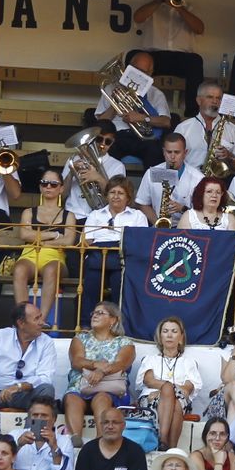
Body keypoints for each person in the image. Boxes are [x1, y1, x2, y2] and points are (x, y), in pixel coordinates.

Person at [65, 304, 136, 448]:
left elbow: (122, 364)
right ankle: (75, 440)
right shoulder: (81, 338)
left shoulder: (125, 342)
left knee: (101, 397)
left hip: (110, 388)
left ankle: (100, 441)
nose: (95, 315)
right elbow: (76, 361)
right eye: (94, 312)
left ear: (113, 320)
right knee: (72, 397)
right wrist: (95, 365)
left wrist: (102, 372)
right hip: (81, 385)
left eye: (101, 313)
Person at [81, 177, 152, 319]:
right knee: (91, 282)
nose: (116, 196)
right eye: (112, 192)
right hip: (98, 256)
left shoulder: (137, 216)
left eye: (120, 193)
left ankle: (118, 322)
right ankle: (86, 323)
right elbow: (86, 241)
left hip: (123, 257)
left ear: (128, 197)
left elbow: (140, 242)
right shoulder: (95, 215)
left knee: (120, 283)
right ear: (106, 195)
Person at [0, 303, 60, 410]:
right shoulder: (1, 336)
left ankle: (31, 418)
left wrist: (20, 387)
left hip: (26, 395)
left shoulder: (46, 342)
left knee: (47, 390)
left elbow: (46, 377)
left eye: (41, 317)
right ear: (21, 323)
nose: (42, 322)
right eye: (37, 319)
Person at [137, 318, 202, 452]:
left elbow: (188, 388)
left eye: (174, 331)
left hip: (178, 401)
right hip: (151, 400)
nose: (169, 335)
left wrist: (166, 392)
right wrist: (168, 390)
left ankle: (164, 442)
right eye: (165, 331)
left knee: (174, 399)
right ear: (160, 337)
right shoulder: (150, 359)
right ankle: (170, 448)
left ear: (181, 338)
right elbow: (149, 380)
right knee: (170, 393)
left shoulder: (188, 362)